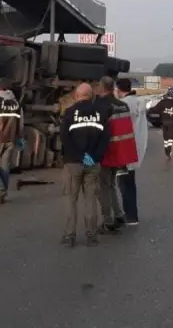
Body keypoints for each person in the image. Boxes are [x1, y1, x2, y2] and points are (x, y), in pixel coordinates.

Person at [59, 83, 110, 247]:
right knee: (90, 199)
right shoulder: (101, 114)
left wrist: (80, 155)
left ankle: (69, 236)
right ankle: (91, 235)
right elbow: (105, 139)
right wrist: (93, 157)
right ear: (91, 96)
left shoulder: (69, 113)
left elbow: (65, 139)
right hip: (92, 163)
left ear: (76, 95)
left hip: (73, 162)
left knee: (71, 200)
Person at [95, 76, 139, 233]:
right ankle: (119, 214)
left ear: (101, 88)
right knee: (111, 184)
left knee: (103, 187)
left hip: (106, 152)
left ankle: (108, 220)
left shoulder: (100, 105)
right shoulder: (122, 105)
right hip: (121, 152)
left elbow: (98, 131)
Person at [115, 78, 148, 226]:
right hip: (138, 146)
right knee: (130, 183)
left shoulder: (124, 104)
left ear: (118, 89)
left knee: (123, 184)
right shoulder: (139, 102)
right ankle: (133, 215)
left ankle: (128, 216)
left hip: (126, 147)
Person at [148, 87, 173, 159]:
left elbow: (155, 109)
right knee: (171, 137)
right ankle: (169, 149)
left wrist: (148, 110)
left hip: (164, 122)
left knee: (165, 137)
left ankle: (166, 150)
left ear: (167, 94)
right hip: (172, 122)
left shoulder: (163, 102)